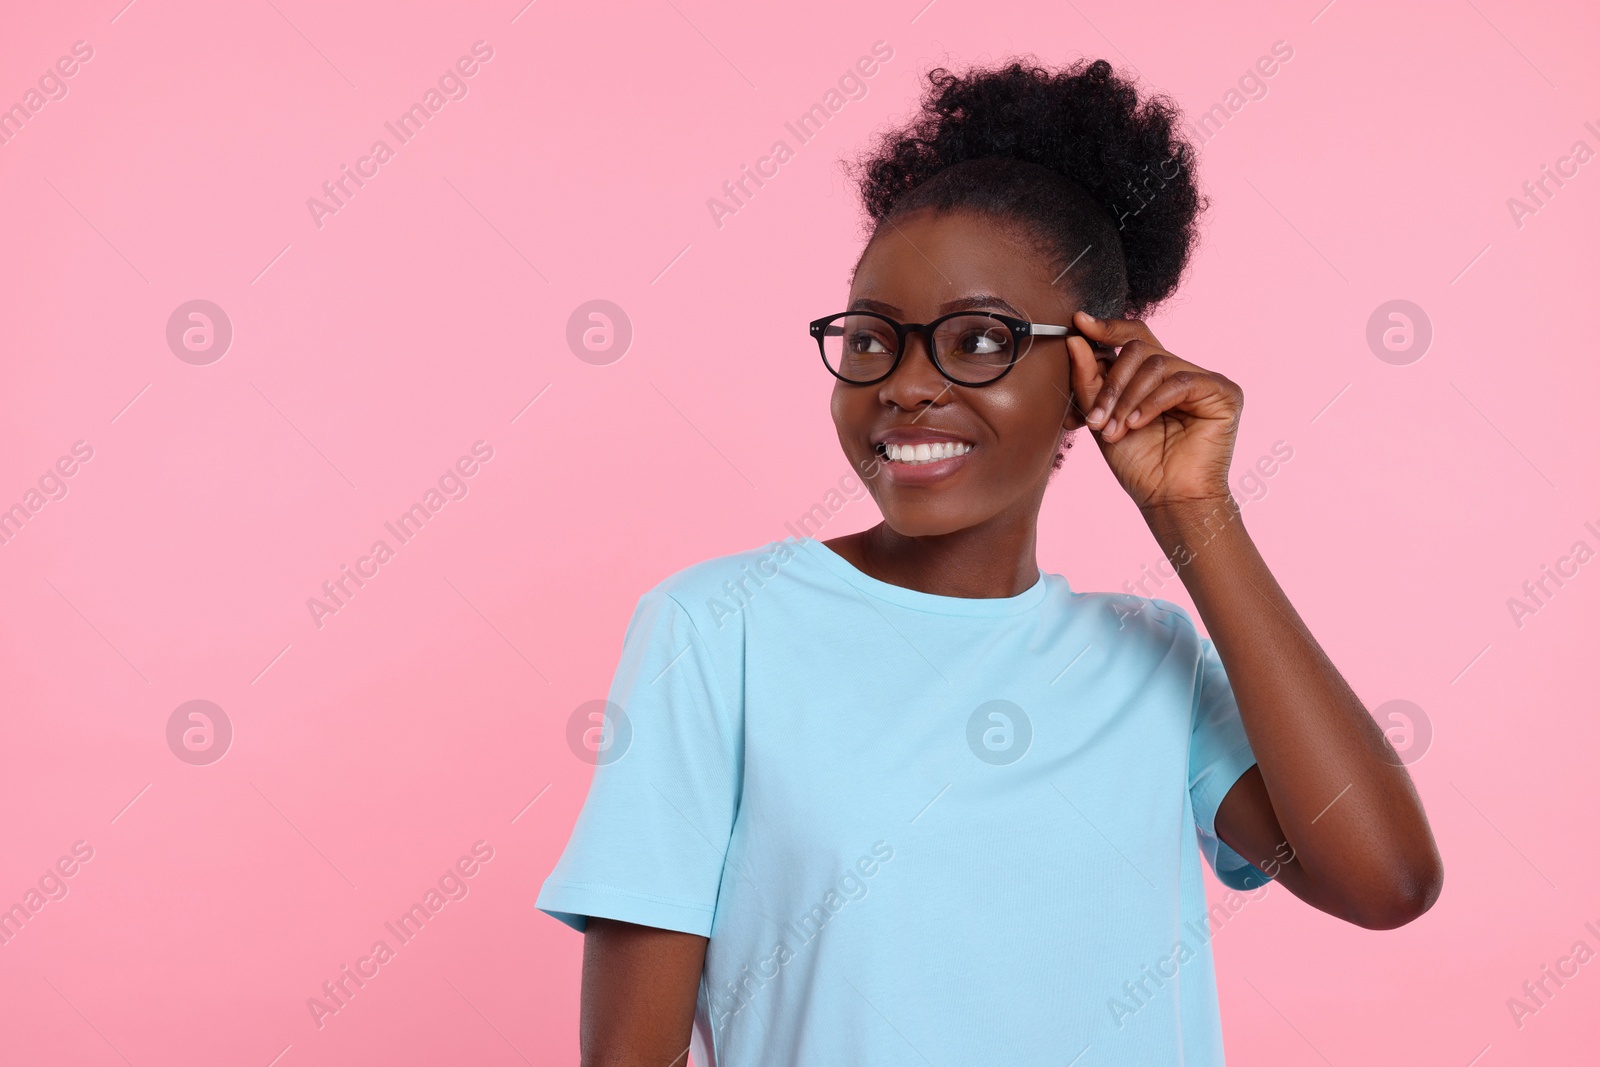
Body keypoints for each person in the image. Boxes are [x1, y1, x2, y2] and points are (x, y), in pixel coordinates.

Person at [536, 56, 1442, 1066]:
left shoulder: (1151, 656)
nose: (907, 385)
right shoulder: (717, 629)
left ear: (1089, 372)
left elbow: (1386, 881)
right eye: (874, 339)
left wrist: (1196, 512)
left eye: (977, 341)